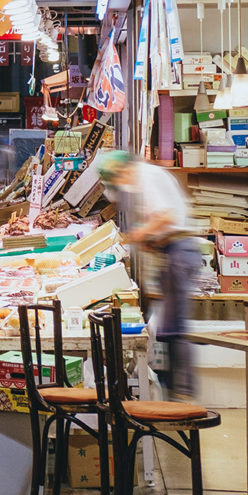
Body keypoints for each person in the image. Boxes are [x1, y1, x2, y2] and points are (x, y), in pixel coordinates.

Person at [97, 149, 200, 399]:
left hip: (180, 251)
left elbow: (166, 217)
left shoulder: (148, 176)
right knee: (165, 326)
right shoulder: (137, 182)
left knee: (173, 327)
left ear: (123, 170)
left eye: (118, 180)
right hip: (168, 253)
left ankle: (182, 395)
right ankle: (168, 386)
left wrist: (134, 238)